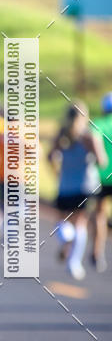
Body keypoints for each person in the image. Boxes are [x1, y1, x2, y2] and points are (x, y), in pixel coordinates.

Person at [48, 102, 106, 281]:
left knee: (64, 221)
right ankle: (74, 263)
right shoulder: (89, 136)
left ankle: (66, 237)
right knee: (80, 223)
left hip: (65, 185)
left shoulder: (62, 135)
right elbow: (102, 161)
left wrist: (57, 170)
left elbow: (50, 156)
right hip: (86, 185)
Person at [90, 92, 112, 272]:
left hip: (101, 176)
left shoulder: (98, 123)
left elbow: (94, 143)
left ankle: (98, 254)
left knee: (99, 214)